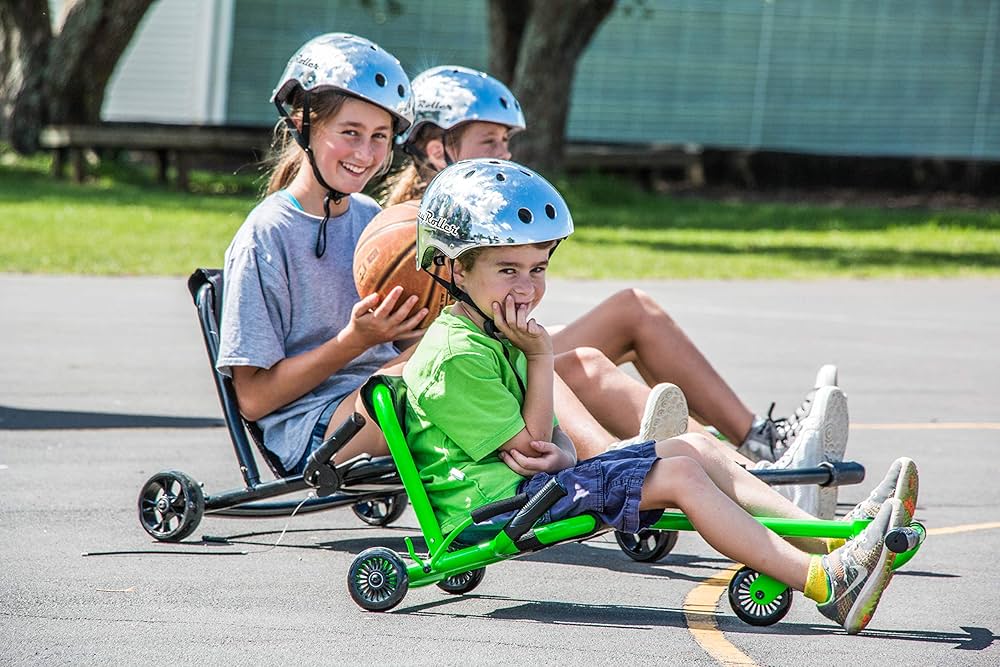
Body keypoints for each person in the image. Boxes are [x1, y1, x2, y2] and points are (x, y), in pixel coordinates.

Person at [402, 158, 920, 634]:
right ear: (452, 269)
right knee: (681, 473)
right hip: (497, 512)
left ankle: (834, 542)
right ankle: (825, 583)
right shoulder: (456, 356)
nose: (527, 288)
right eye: (507, 270)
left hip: (534, 490)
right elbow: (532, 445)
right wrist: (540, 360)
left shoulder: (495, 331)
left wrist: (559, 445)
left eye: (537, 269)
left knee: (698, 447)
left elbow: (545, 442)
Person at [385, 65, 847, 516]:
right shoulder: (407, 233)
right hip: (417, 382)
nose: (505, 155)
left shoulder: (494, 223)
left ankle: (755, 455)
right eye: (490, 141)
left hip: (487, 357)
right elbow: (424, 347)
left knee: (616, 322)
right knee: (591, 344)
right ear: (438, 148)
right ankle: (637, 469)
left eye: (507, 142)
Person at [216, 33, 427, 473]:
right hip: (317, 431)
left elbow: (413, 342)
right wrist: (355, 341)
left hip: (382, 397)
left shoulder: (375, 221)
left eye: (379, 136)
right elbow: (252, 400)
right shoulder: (266, 235)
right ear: (303, 125)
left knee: (551, 365)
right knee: (472, 373)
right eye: (350, 132)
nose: (365, 153)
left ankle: (600, 480)